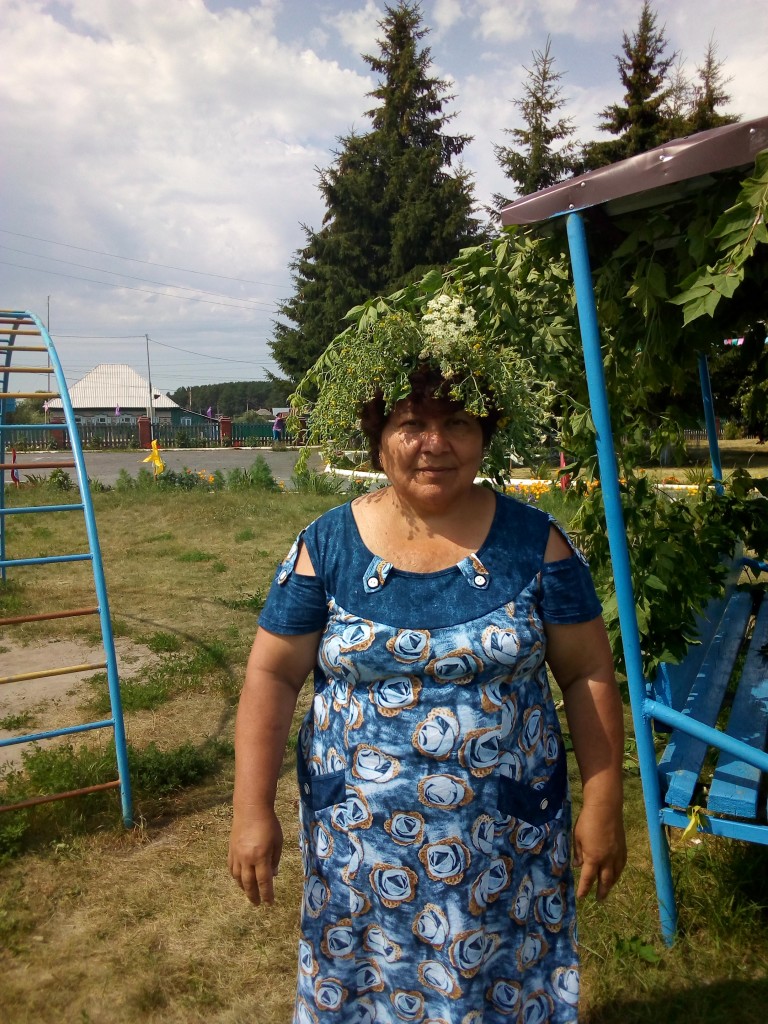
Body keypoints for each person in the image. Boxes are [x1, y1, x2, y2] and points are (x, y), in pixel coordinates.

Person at [229, 363, 626, 1023]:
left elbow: (587, 672)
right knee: (365, 993)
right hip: (359, 852)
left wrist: (604, 803)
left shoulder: (538, 546)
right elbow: (271, 676)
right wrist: (251, 810)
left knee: (495, 992)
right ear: (378, 436)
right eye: (411, 423)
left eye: (457, 423)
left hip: (503, 850)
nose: (434, 444)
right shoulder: (326, 548)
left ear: (485, 434)